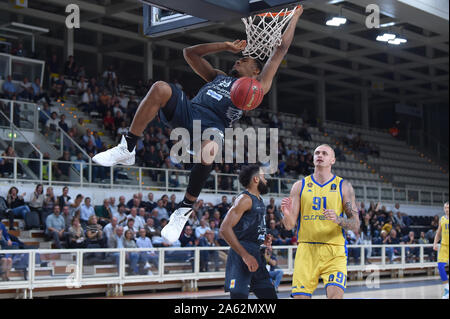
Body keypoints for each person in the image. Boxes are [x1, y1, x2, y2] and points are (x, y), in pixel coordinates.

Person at [93, 6, 304, 241]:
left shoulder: (258, 86)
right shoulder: (218, 76)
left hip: (214, 126)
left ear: (255, 70)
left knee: (210, 150)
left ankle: (183, 209)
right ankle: (127, 147)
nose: (238, 60)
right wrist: (225, 46)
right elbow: (189, 53)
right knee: (160, 88)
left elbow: (280, 50)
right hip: (190, 112)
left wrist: (294, 17)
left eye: (243, 60)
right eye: (237, 58)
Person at [280, 144, 360, 299]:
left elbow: (355, 224)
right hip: (306, 249)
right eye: (317, 153)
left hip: (334, 250)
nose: (320, 155)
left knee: (335, 296)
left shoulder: (344, 187)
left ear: (333, 160)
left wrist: (337, 219)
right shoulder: (299, 186)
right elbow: (289, 225)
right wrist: (286, 214)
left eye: (324, 153)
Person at [219, 164, 277, 299]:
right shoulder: (245, 199)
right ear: (256, 179)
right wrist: (245, 255)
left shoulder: (259, 200)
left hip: (256, 254)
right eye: (263, 177)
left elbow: (249, 228)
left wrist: (263, 239)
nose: (266, 180)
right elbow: (224, 228)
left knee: (270, 295)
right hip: (241, 255)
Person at [433, 201, 449, 299]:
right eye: (445, 208)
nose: (447, 209)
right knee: (440, 266)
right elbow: (438, 233)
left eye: (448, 208)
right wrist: (435, 243)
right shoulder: (442, 219)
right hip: (444, 245)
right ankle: (447, 289)